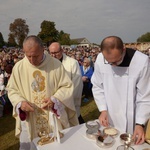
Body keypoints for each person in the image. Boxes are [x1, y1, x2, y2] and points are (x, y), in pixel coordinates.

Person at [6, 35, 78, 150]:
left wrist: (55, 99)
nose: (32, 60)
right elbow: (12, 89)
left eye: (35, 56)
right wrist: (20, 102)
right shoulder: (19, 67)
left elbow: (67, 86)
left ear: (43, 50)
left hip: (51, 117)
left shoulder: (55, 65)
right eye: (28, 56)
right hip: (30, 119)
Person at [91, 36, 150, 145]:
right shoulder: (100, 59)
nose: (113, 65)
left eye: (116, 61)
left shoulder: (141, 61)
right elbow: (97, 86)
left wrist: (140, 123)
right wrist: (103, 109)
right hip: (109, 114)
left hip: (133, 116)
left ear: (123, 49)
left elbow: (145, 96)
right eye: (109, 62)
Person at [48, 42, 84, 124]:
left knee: (73, 122)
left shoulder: (72, 63)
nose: (53, 55)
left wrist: (62, 98)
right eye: (51, 53)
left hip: (68, 100)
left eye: (56, 52)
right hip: (54, 100)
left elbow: (76, 84)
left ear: (61, 50)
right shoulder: (49, 64)